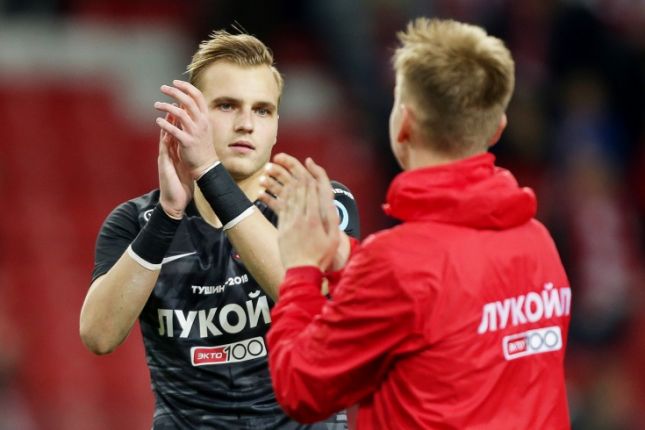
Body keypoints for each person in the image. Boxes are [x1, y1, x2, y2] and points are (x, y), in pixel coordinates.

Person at [261, 18, 572, 429]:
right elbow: (444, 314)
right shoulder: (538, 242)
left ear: (404, 122)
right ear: (498, 128)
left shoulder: (399, 264)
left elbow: (300, 388)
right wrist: (342, 255)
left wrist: (302, 270)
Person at [79, 30, 359, 429]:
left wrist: (208, 171)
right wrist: (167, 216)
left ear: (276, 126)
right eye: (227, 106)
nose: (246, 124)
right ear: (187, 118)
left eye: (262, 110)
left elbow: (318, 304)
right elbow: (99, 336)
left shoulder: (316, 201)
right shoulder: (135, 221)